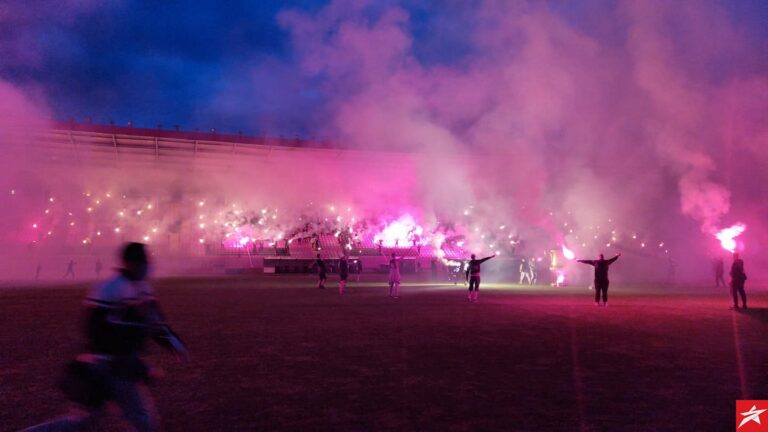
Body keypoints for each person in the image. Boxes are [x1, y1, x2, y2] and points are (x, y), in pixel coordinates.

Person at [22, 242, 187, 432]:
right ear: (131, 263)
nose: (147, 266)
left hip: (114, 364)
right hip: (111, 367)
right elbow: (94, 329)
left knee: (82, 423)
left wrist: (174, 344)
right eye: (143, 262)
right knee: (143, 424)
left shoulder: (138, 289)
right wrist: (119, 357)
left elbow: (154, 324)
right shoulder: (113, 289)